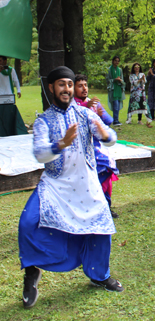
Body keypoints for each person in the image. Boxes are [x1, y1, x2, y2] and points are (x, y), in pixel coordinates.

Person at [19, 66, 123, 309]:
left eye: (69, 84)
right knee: (28, 222)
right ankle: (32, 271)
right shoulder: (43, 120)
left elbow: (111, 138)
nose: (66, 89)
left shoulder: (86, 114)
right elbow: (39, 154)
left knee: (99, 228)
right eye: (61, 85)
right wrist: (62, 143)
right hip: (55, 184)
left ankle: (100, 275)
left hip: (86, 183)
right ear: (51, 88)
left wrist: (104, 134)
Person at [73, 74, 120, 218]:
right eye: (80, 85)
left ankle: (106, 206)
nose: (84, 88)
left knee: (106, 170)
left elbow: (109, 121)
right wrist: (85, 107)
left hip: (96, 147)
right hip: (79, 149)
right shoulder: (71, 105)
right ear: (73, 88)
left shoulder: (93, 103)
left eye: (85, 85)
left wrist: (100, 114)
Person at [0, 55, 27, 136]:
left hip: (9, 95)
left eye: (0, 60)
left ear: (5, 61)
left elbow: (16, 81)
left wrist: (18, 90)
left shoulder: (11, 70)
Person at [126, 62, 153, 127]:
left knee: (141, 105)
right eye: (135, 67)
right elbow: (133, 83)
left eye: (138, 67)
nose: (137, 68)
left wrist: (143, 79)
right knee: (132, 105)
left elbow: (144, 82)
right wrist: (139, 80)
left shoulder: (142, 74)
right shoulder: (131, 75)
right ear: (134, 68)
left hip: (141, 93)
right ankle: (129, 119)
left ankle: (139, 120)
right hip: (134, 93)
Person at [106, 56, 126, 126]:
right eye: (115, 60)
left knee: (117, 105)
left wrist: (120, 81)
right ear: (112, 61)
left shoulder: (120, 70)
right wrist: (114, 80)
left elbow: (122, 79)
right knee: (115, 105)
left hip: (118, 89)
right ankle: (115, 121)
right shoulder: (109, 70)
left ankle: (116, 120)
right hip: (112, 89)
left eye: (118, 61)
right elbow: (107, 80)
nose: (116, 62)